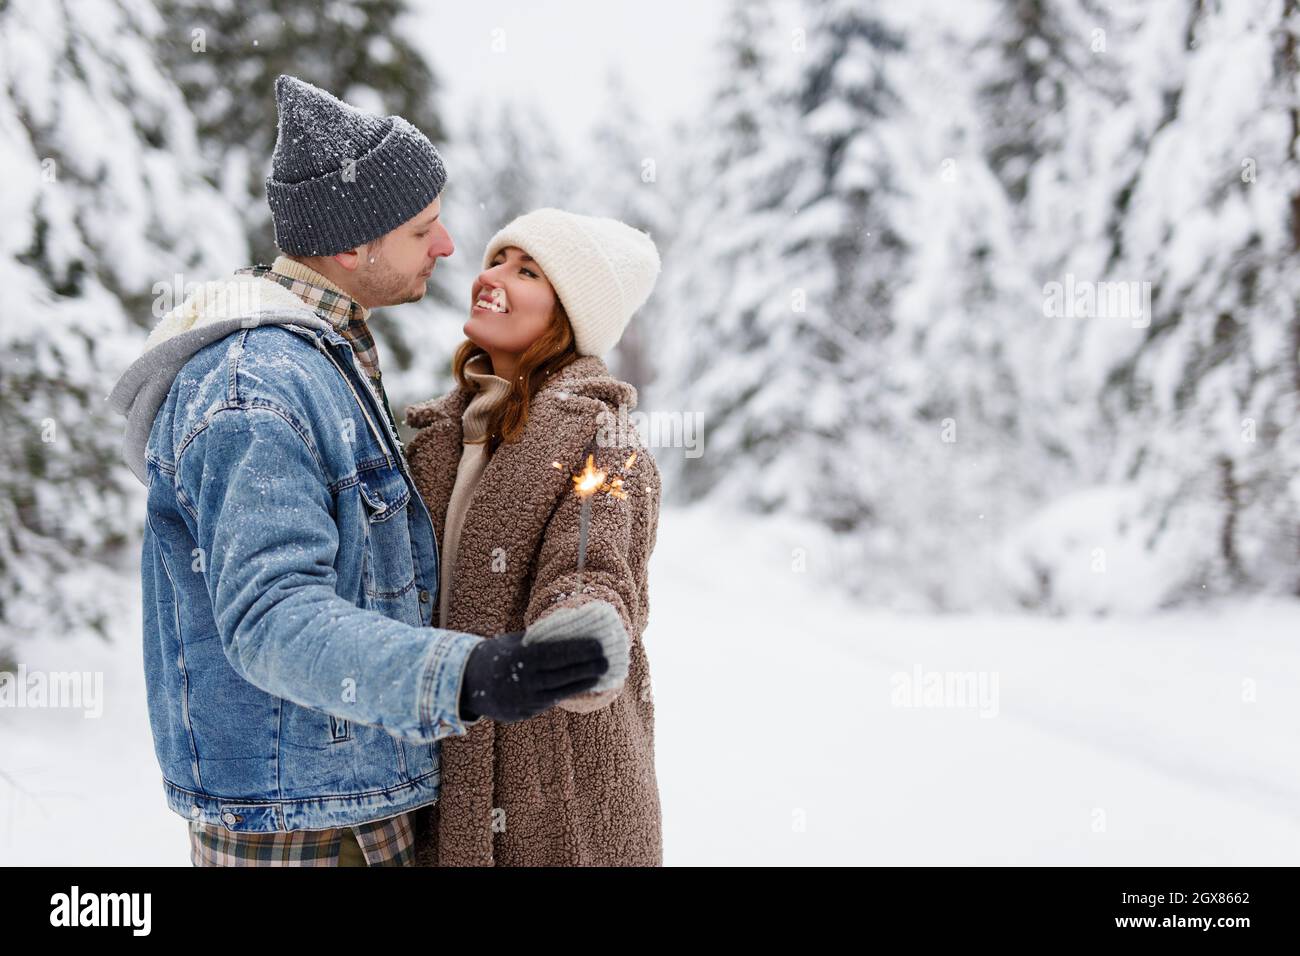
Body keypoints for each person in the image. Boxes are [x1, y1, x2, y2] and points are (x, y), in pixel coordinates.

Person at [108, 78, 610, 867]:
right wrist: (465, 675)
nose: (448, 250)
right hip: (306, 821)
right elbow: (272, 618)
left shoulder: (324, 357)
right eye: (423, 231)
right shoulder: (257, 386)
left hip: (349, 797)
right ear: (352, 246)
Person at [404, 208, 664, 865]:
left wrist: (579, 632)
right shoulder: (435, 437)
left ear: (567, 316)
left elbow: (593, 560)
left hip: (556, 791)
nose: (493, 277)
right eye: (498, 259)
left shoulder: (601, 440)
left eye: (527, 272)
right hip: (442, 777)